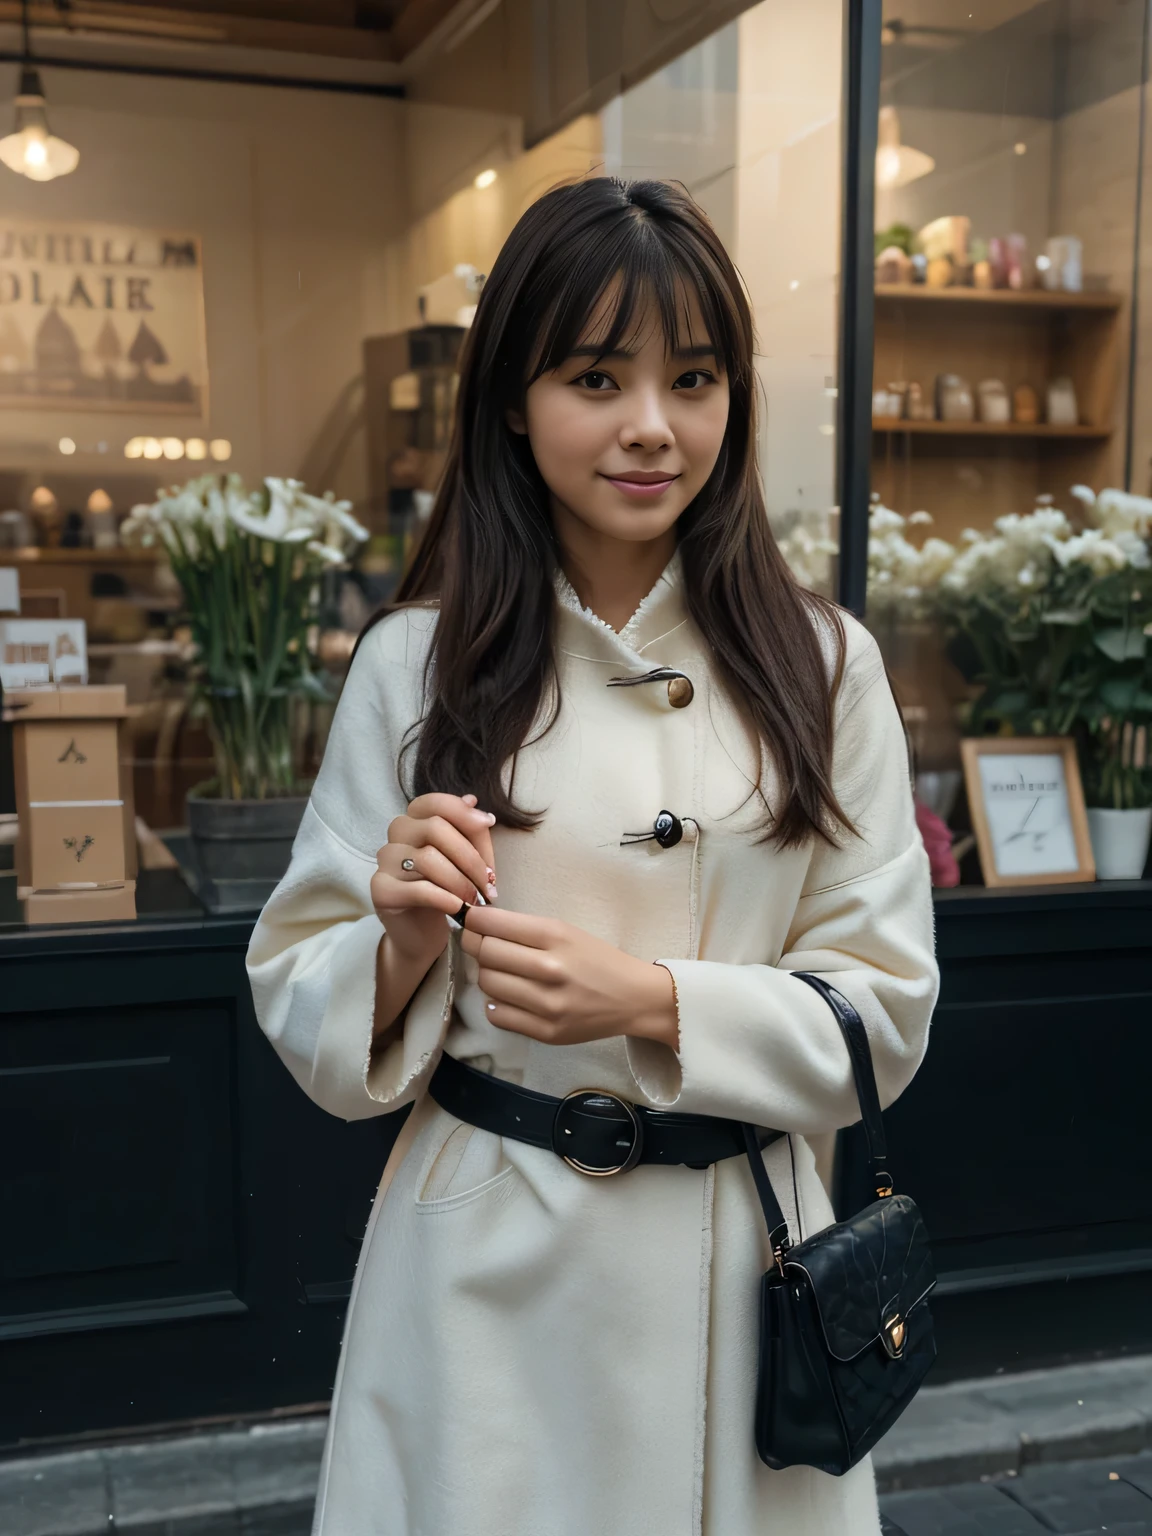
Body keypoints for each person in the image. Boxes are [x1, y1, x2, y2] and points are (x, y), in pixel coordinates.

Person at [247, 177, 938, 1536]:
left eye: (692, 378)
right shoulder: (414, 665)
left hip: (749, 1259)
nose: (650, 427)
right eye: (594, 376)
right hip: (483, 1269)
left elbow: (888, 1007)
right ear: (514, 397)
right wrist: (397, 939)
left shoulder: (829, 666)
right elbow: (299, 997)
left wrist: (652, 1004)